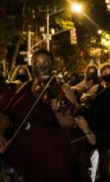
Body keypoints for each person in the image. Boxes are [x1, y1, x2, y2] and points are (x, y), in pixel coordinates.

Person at [0, 50, 77, 181]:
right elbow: (7, 115)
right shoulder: (23, 88)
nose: (42, 66)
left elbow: (69, 122)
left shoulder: (62, 89)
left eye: (46, 62)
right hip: (20, 154)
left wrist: (57, 112)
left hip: (48, 155)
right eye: (37, 62)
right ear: (32, 65)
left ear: (52, 65)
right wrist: (0, 133)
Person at [81, 64, 110, 182]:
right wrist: (88, 97)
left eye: (109, 72)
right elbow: (84, 97)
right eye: (105, 72)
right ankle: (104, 175)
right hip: (101, 124)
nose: (107, 74)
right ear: (101, 75)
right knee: (103, 152)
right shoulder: (97, 88)